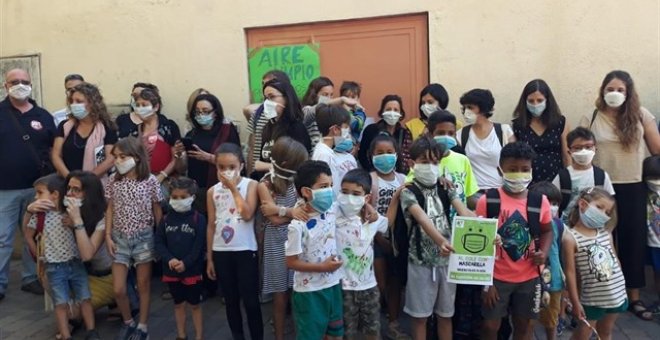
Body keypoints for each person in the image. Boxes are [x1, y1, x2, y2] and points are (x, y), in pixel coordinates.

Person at [579, 70, 660, 320]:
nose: (614, 94)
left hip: (634, 185)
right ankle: (600, 295)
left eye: (620, 90)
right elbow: (582, 148)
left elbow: (656, 148)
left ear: (629, 93)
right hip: (602, 187)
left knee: (632, 242)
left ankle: (633, 297)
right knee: (600, 241)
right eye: (610, 89)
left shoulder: (641, 115)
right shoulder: (592, 117)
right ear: (603, 91)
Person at [390, 136, 473, 340]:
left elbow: (465, 212)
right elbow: (422, 219)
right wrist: (441, 241)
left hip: (447, 261)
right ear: (412, 164)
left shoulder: (446, 187)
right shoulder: (409, 192)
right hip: (420, 261)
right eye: (425, 162)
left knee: (446, 315)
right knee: (420, 318)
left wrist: (489, 231)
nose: (431, 167)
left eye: (435, 162)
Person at [475, 142, 553, 340]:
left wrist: (543, 252)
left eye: (524, 169)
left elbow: (547, 230)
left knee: (525, 327)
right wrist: (487, 283)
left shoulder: (539, 201)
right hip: (496, 277)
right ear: (500, 169)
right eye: (512, 169)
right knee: (490, 326)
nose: (519, 174)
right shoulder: (488, 201)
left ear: (531, 170)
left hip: (529, 277)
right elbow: (479, 244)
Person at [1, 68, 54, 300]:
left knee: (33, 234)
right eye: (15, 81)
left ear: (31, 85)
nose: (20, 85)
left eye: (24, 81)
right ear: (6, 86)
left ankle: (31, 277)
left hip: (37, 189)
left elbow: (53, 149)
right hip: (5, 188)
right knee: (3, 237)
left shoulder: (43, 115)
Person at [24, 174, 99, 340]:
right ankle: (65, 335)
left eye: (39, 193)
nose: (36, 198)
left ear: (55, 194)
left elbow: (84, 231)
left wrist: (74, 223)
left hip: (76, 262)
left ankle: (92, 331)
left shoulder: (71, 212)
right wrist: (38, 255)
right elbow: (28, 234)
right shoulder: (40, 216)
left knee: (85, 297)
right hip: (54, 267)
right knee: (61, 302)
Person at [105, 137, 163, 340]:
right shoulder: (114, 180)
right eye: (116, 157)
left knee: (144, 284)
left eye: (123, 156)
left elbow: (157, 210)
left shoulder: (150, 181)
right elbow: (110, 207)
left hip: (144, 237)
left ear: (137, 158)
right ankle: (128, 321)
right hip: (119, 237)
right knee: (119, 288)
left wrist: (159, 238)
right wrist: (107, 235)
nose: (118, 161)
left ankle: (143, 326)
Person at [206, 143, 263, 340]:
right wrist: (210, 258)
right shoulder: (212, 191)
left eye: (231, 167)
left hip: (245, 249)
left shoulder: (251, 185)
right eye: (221, 167)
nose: (226, 171)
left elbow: (247, 214)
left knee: (251, 301)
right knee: (230, 300)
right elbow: (211, 225)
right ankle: (237, 335)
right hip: (221, 250)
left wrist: (233, 189)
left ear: (240, 165)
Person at [285, 160, 345, 340]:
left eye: (331, 185)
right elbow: (290, 262)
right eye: (324, 186)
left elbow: (356, 205)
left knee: (335, 334)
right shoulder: (298, 225)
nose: (330, 190)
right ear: (306, 191)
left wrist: (369, 210)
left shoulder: (333, 210)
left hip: (333, 285)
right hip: (309, 292)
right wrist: (323, 268)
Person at [257, 137, 308, 340]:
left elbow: (303, 210)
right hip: (276, 243)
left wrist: (280, 210)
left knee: (299, 290)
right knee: (280, 294)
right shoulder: (265, 184)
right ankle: (279, 335)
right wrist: (290, 211)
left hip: (298, 241)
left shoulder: (299, 182)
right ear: (287, 164)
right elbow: (275, 220)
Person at [562, 187, 627, 340]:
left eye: (607, 212)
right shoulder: (570, 238)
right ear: (583, 204)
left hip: (616, 294)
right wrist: (575, 302)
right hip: (592, 298)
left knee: (606, 332)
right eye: (599, 207)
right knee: (584, 332)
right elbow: (570, 272)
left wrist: (622, 286)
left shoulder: (606, 233)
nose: (603, 214)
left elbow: (615, 261)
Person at [335, 169, 388, 340]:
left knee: (372, 331)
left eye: (356, 193)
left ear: (366, 197)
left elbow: (387, 223)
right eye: (344, 192)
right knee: (345, 333)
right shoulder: (334, 214)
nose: (349, 197)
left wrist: (394, 199)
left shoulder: (371, 219)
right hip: (343, 288)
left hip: (369, 287)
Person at [366, 135, 409, 339]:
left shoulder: (403, 179)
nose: (385, 157)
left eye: (389, 152)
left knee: (395, 283)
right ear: (371, 156)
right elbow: (363, 213)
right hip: (374, 240)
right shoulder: (369, 179)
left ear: (397, 154)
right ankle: (372, 325)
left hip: (397, 241)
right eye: (379, 153)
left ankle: (393, 322)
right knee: (378, 284)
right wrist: (378, 238)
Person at [155, 177, 206, 340]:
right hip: (171, 270)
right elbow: (159, 242)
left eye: (183, 197)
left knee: (195, 305)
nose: (178, 201)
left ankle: (199, 336)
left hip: (192, 270)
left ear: (192, 197)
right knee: (178, 304)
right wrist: (169, 259)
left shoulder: (199, 219)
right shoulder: (165, 219)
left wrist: (186, 263)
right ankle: (181, 335)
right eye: (174, 197)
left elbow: (199, 246)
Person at [62, 171, 116, 315]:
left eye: (76, 190)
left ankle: (116, 300)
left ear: (89, 194)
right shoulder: (68, 212)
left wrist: (78, 222)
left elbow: (87, 255)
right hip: (80, 273)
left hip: (105, 276)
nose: (69, 194)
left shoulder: (103, 218)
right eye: (68, 188)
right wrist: (30, 211)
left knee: (73, 314)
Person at [180, 93, 240, 212]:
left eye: (205, 111)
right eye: (197, 111)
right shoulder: (191, 134)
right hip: (197, 189)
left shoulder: (227, 130)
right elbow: (182, 167)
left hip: (222, 187)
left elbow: (237, 160)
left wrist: (210, 158)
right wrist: (178, 155)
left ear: (215, 113)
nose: (201, 114)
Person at [51, 82, 117, 180]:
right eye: (72, 101)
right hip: (67, 183)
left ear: (92, 103)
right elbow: (56, 155)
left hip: (96, 184)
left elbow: (110, 159)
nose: (74, 105)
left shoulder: (107, 127)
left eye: (79, 101)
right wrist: (71, 179)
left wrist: (86, 181)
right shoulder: (64, 126)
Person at [551, 127, 615, 224]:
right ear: (569, 152)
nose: (583, 151)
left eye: (588, 147)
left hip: (595, 227)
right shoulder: (563, 176)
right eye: (577, 148)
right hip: (568, 228)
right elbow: (552, 202)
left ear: (595, 149)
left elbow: (610, 204)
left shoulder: (601, 176)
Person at [512, 79, 571, 184]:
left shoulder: (560, 123)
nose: (535, 104)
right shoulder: (518, 125)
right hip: (528, 181)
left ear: (547, 101)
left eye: (540, 100)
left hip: (556, 180)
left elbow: (566, 155)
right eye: (531, 101)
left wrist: (569, 180)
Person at [456, 88, 516, 191]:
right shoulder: (460, 135)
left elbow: (515, 162)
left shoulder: (504, 131)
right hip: (472, 193)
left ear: (483, 109)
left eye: (470, 107)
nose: (466, 112)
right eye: (464, 108)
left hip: (500, 192)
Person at [253, 79, 311, 180]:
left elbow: (299, 164)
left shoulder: (296, 127)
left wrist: (267, 166)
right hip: (267, 185)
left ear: (287, 98)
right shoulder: (268, 127)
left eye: (272, 97)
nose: (267, 102)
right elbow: (260, 162)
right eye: (265, 98)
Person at [529, 181, 566, 340]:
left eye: (555, 203)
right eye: (546, 203)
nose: (551, 207)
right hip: (529, 279)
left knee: (551, 319)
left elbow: (560, 252)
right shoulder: (527, 223)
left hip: (554, 280)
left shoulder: (558, 224)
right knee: (528, 320)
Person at [130, 88, 182, 185]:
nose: (140, 108)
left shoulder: (168, 127)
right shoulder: (134, 131)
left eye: (144, 105)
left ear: (156, 107)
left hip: (165, 181)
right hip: (141, 181)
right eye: (137, 105)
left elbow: (176, 157)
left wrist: (162, 176)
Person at [245, 70, 291, 175]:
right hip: (259, 172)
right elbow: (252, 146)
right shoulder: (258, 112)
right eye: (263, 84)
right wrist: (250, 173)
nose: (266, 87)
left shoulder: (292, 116)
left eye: (270, 83)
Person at [358, 94, 413, 174]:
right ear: (382, 112)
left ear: (401, 113)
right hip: (373, 176)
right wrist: (371, 171)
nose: (392, 113)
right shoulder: (371, 130)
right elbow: (362, 154)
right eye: (388, 109)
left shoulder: (404, 133)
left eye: (395, 110)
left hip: (396, 177)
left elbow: (406, 158)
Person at [312, 103, 358, 197]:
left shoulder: (327, 151)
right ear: (335, 129)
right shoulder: (324, 154)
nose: (348, 131)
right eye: (345, 127)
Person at [301, 76, 358, 150]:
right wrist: (341, 99)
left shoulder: (333, 113)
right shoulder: (307, 109)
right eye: (325, 95)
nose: (329, 98)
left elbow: (342, 135)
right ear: (314, 95)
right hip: (315, 157)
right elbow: (314, 111)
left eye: (331, 95)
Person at [643, 156, 660, 314]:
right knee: (656, 271)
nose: (655, 181)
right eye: (652, 178)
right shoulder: (646, 193)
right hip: (654, 241)